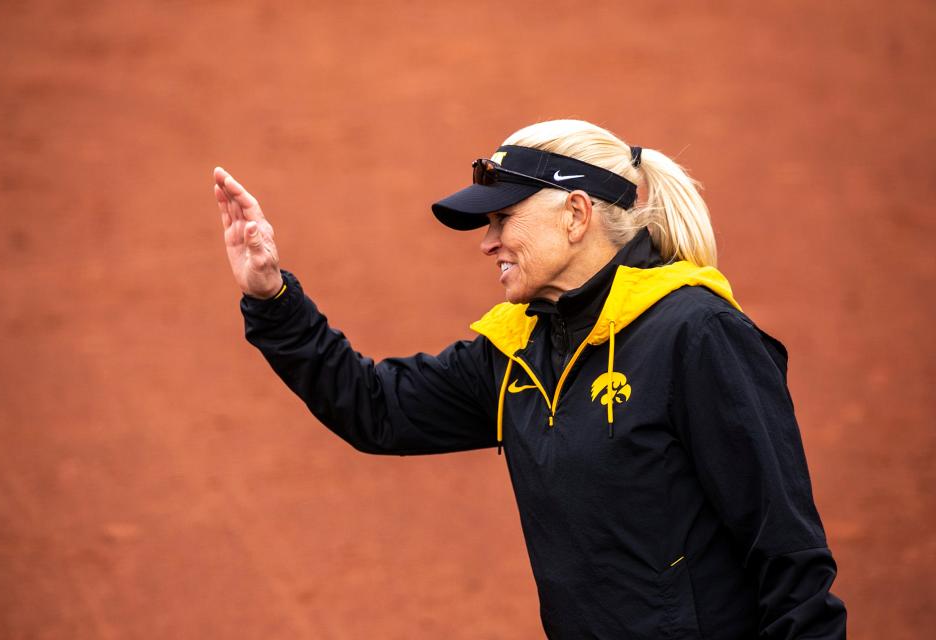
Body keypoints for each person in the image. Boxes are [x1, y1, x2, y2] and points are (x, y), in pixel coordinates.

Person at [214, 119, 847, 639]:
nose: (487, 243)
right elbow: (376, 409)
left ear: (576, 214)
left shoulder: (696, 333)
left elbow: (786, 552)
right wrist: (272, 297)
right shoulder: (520, 350)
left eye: (502, 219)